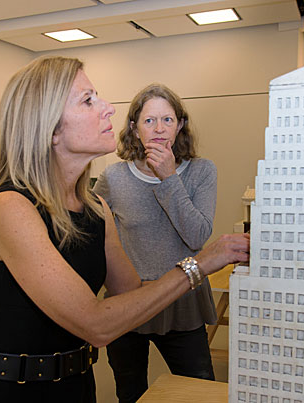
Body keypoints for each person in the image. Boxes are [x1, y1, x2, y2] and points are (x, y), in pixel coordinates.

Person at [0, 56, 249, 403]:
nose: (109, 108)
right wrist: (200, 264)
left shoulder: (95, 208)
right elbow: (96, 324)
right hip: (12, 392)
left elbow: (131, 294)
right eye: (88, 100)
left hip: (77, 386)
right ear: (49, 128)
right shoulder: (9, 208)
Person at [93, 83, 219, 402]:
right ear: (134, 129)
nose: (159, 129)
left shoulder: (202, 172)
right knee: (131, 390)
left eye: (167, 120)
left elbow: (197, 237)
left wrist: (169, 178)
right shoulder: (115, 178)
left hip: (183, 300)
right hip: (129, 302)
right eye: (149, 121)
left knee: (199, 390)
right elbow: (95, 236)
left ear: (180, 125)